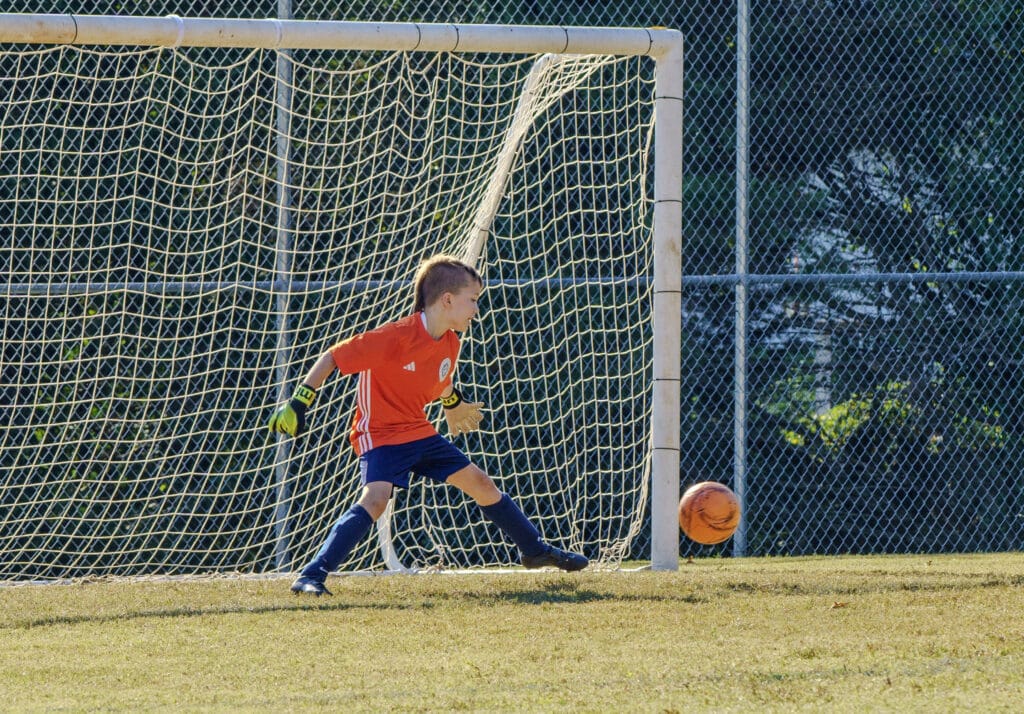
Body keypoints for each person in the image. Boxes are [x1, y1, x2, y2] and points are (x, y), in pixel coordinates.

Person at [269, 254, 588, 595]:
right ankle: (311, 575)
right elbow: (334, 356)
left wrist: (453, 404)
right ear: (447, 300)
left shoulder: (450, 341)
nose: (476, 310)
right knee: (376, 500)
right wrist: (300, 401)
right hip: (380, 434)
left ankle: (534, 550)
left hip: (418, 431)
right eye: (473, 300)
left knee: (481, 483)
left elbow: (440, 380)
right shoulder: (394, 336)